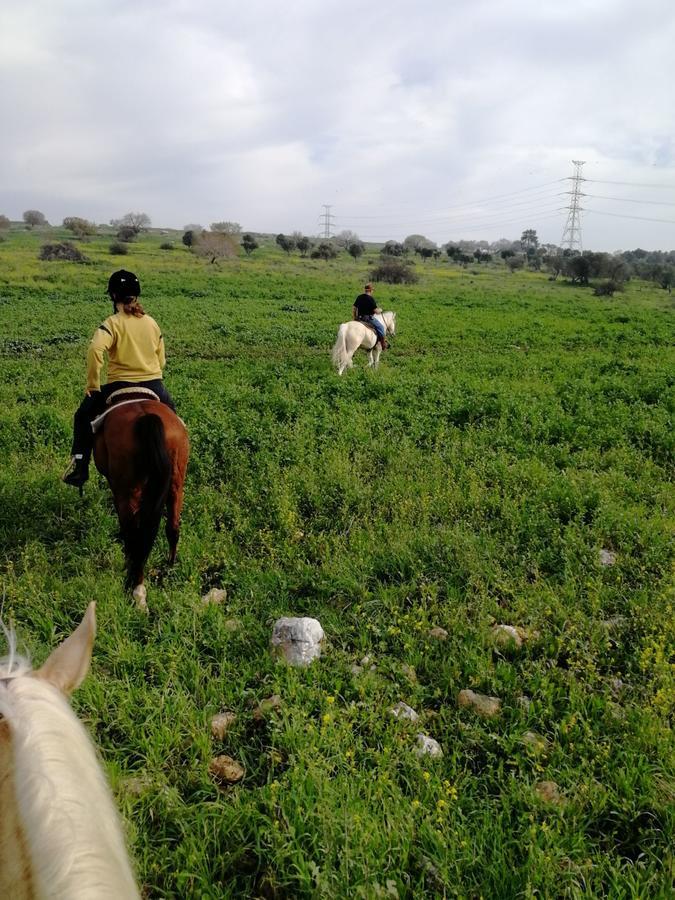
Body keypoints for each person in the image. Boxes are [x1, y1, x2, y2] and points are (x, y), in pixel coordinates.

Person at [62, 270, 176, 489]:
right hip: (153, 384)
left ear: (113, 296)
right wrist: (152, 370)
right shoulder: (152, 323)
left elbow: (95, 349)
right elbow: (161, 359)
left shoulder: (112, 323)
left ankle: (80, 467)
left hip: (119, 384)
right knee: (174, 417)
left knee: (82, 416)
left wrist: (93, 384)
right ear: (137, 295)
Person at [352, 283, 387, 351]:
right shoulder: (371, 299)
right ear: (371, 290)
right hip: (367, 319)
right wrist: (380, 310)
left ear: (365, 290)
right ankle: (383, 344)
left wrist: (354, 318)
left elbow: (354, 308)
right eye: (372, 290)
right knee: (381, 327)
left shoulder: (359, 297)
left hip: (359, 318)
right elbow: (376, 311)